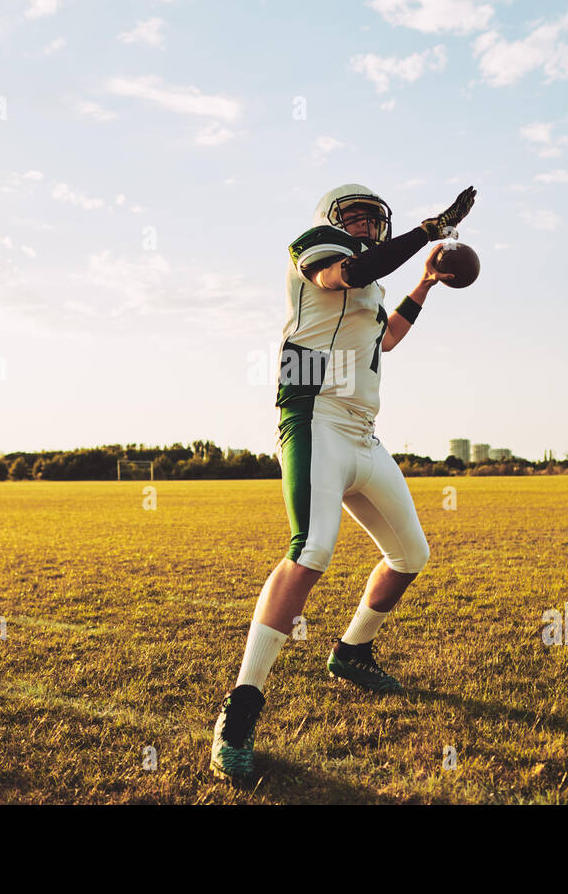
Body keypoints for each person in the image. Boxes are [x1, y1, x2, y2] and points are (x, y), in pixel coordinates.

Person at [210, 182, 478, 782]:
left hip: (362, 430)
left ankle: (352, 651)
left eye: (371, 219)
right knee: (311, 550)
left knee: (411, 554)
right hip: (313, 414)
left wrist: (427, 283)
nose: (362, 225)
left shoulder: (374, 285)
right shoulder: (317, 251)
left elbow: (385, 338)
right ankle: (242, 705)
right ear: (333, 222)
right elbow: (349, 273)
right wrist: (432, 230)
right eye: (352, 216)